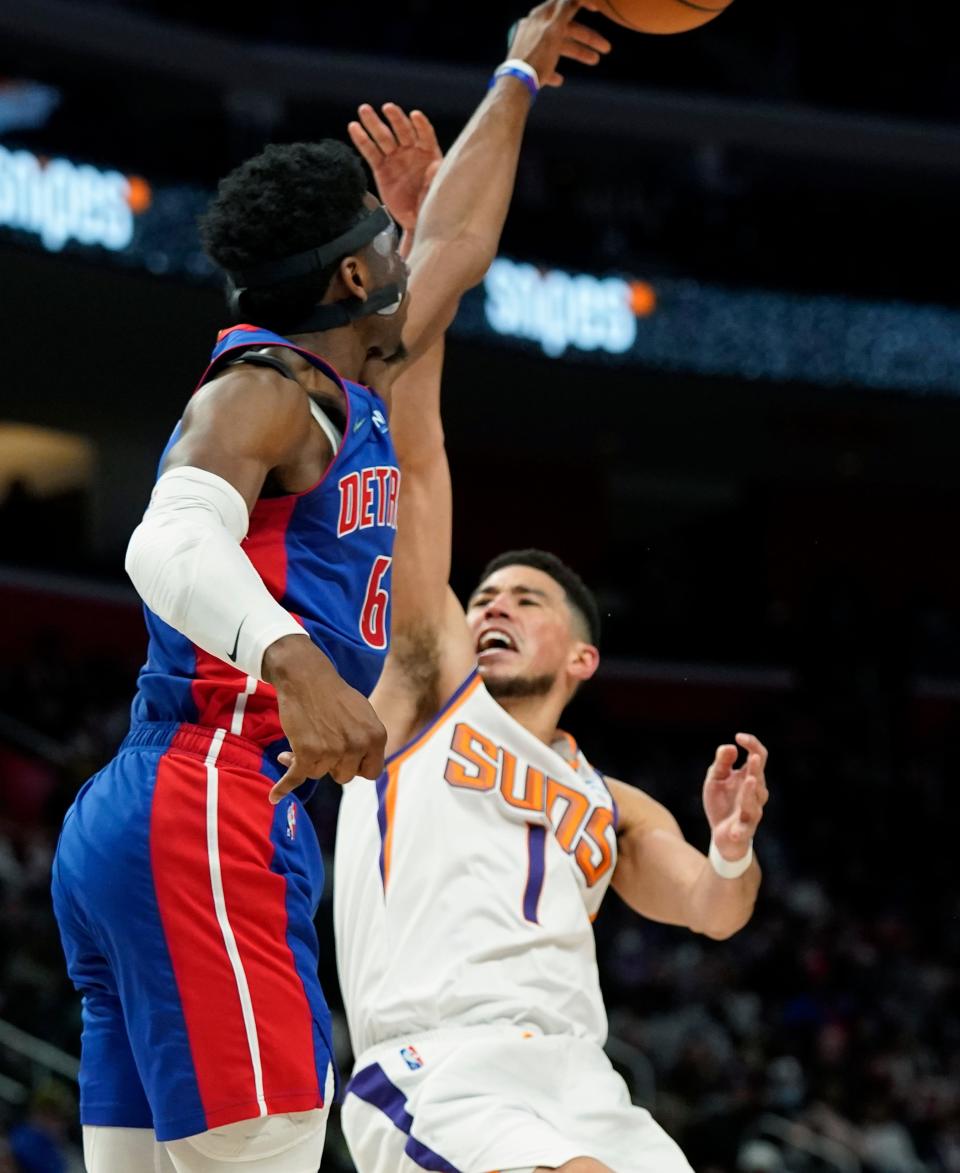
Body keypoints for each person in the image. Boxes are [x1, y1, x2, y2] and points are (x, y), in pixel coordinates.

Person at [49, 5, 611, 1172]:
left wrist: (515, 77)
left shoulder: (360, 377)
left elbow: (453, 244)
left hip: (170, 814)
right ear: (353, 275)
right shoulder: (265, 389)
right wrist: (296, 663)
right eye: (384, 240)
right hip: (208, 791)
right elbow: (165, 545)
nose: (412, 252)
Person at [334, 111, 770, 1173]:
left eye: (525, 599)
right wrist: (416, 252)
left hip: (584, 1077)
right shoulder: (429, 686)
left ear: (582, 657)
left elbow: (715, 912)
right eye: (484, 593)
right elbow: (418, 447)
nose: (493, 606)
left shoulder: (612, 803)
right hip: (442, 1065)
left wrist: (731, 843)